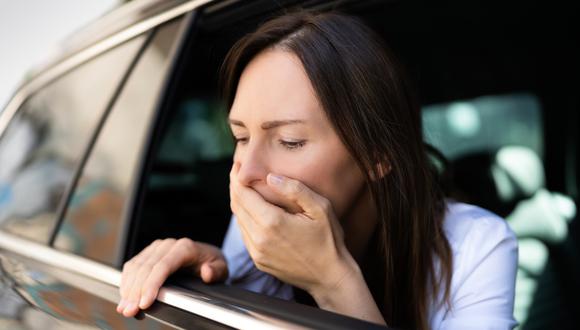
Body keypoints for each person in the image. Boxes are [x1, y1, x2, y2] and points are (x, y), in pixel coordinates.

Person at [116, 11, 518, 329]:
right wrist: (216, 276)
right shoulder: (258, 221)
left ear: (377, 154)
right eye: (240, 137)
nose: (245, 173)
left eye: (289, 141)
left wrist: (333, 282)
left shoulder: (476, 247)